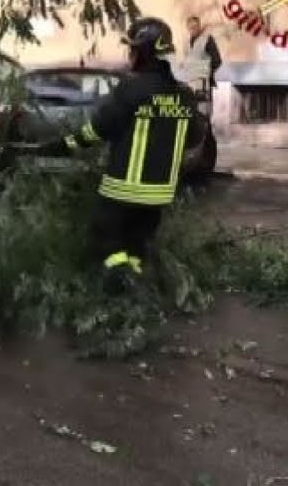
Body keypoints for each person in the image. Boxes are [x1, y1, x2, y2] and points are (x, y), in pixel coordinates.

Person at [49, 17, 204, 293]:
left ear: (143, 52)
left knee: (105, 239)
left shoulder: (132, 89)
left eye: (133, 50)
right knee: (137, 246)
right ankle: (136, 293)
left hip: (124, 188)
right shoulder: (183, 95)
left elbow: (99, 130)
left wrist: (64, 145)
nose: (130, 56)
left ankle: (117, 289)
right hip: (159, 194)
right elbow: (194, 138)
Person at [179, 15, 222, 114]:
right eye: (190, 28)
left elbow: (217, 60)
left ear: (199, 26)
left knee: (203, 113)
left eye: (195, 27)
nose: (192, 30)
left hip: (202, 83)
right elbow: (188, 60)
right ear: (187, 28)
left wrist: (206, 72)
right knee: (190, 113)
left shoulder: (207, 39)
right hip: (189, 83)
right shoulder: (186, 43)